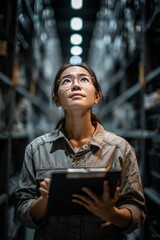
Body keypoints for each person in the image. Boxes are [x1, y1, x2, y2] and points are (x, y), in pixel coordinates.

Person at [16, 63, 146, 240]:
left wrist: (111, 213)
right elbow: (23, 213)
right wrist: (45, 200)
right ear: (56, 99)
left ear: (97, 96)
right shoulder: (36, 149)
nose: (75, 85)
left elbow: (137, 212)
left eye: (84, 79)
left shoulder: (120, 149)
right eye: (66, 81)